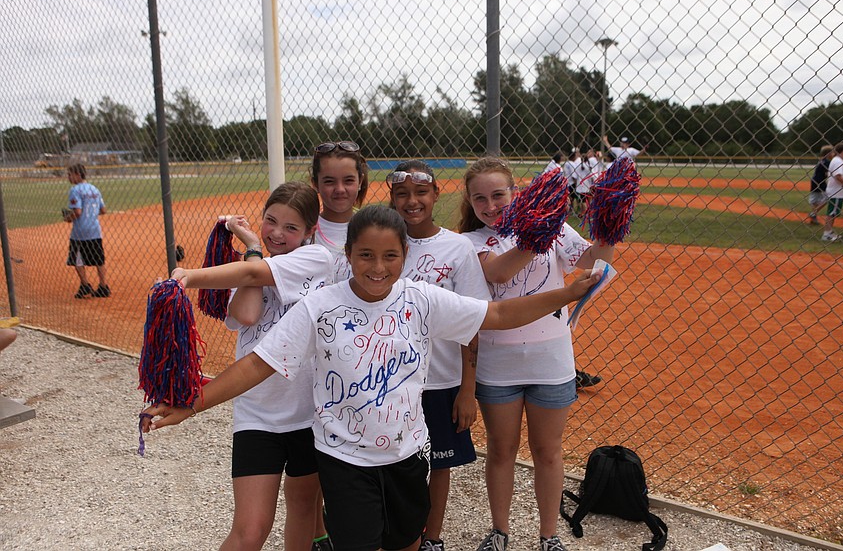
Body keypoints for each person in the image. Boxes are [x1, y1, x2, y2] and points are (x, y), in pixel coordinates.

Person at [141, 205, 601, 551]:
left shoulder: (421, 299)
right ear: (348, 254)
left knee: (406, 540)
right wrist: (192, 405)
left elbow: (497, 313)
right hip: (344, 459)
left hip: (406, 454)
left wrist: (564, 292)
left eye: (389, 256)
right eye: (365, 255)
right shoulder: (320, 307)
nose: (377, 268)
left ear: (405, 256)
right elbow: (258, 363)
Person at [166, 182, 336, 551]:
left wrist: (189, 275)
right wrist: (253, 250)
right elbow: (247, 312)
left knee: (304, 509)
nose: (277, 233)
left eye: (291, 228)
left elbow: (252, 276)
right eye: (270, 221)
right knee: (251, 528)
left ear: (310, 231)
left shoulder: (318, 260)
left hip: (309, 413)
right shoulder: (252, 263)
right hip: (257, 413)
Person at [458, 157, 615, 551]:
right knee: (502, 450)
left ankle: (549, 536)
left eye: (499, 195)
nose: (491, 206)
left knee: (548, 452)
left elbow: (593, 261)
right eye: (480, 199)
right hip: (499, 365)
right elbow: (497, 274)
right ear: (470, 202)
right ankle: (499, 531)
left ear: (516, 192)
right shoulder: (473, 242)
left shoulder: (556, 230)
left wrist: (610, 226)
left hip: (552, 361)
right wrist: (537, 234)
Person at [387, 161, 492, 551]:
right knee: (394, 460)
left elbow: (473, 320)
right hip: (392, 378)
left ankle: (432, 538)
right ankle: (399, 534)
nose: (412, 201)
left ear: (435, 194)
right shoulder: (385, 240)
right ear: (392, 198)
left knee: (439, 463)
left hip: (443, 378)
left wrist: (468, 389)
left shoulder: (457, 247)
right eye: (402, 194)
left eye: (420, 192)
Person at [309, 141, 369, 283]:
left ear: (360, 181)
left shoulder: (371, 227)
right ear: (315, 183)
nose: (340, 189)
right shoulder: (304, 230)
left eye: (348, 180)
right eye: (329, 181)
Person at [63, 164, 110, 299]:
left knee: (77, 259)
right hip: (95, 230)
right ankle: (103, 286)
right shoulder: (94, 189)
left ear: (78, 174)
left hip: (80, 232)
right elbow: (103, 210)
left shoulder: (75, 190)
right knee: (98, 259)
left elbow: (77, 211)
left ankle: (85, 285)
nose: (69, 177)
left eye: (70, 174)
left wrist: (68, 218)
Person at [822, 141, 843, 242]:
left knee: (833, 212)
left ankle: (829, 232)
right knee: (832, 213)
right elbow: (838, 176)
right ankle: (827, 234)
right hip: (836, 191)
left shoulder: (837, 160)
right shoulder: (838, 161)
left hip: (837, 191)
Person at [808, 145, 835, 225]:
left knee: (815, 201)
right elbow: (827, 174)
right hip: (820, 182)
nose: (833, 154)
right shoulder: (827, 162)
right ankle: (813, 214)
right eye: (832, 152)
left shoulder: (821, 160)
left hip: (814, 181)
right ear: (828, 153)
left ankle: (813, 217)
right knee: (829, 197)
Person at [574, 149, 604, 218]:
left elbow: (575, 176)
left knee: (583, 200)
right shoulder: (589, 166)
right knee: (588, 199)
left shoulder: (580, 165)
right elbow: (591, 175)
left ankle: (585, 213)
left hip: (581, 185)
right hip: (588, 184)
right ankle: (586, 212)